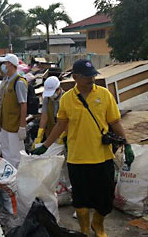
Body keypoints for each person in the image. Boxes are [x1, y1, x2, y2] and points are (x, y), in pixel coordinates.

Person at [33, 59, 134, 237]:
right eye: (87, 76)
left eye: (93, 75)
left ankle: (98, 224)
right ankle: (85, 230)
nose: (91, 79)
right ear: (75, 77)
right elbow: (60, 125)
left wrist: (127, 144)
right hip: (77, 158)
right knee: (80, 200)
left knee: (105, 200)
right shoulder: (67, 99)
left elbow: (115, 121)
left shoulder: (104, 95)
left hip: (103, 157)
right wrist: (45, 145)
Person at [0, 54, 27, 168]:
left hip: (14, 125)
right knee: (6, 153)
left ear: (11, 65)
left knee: (16, 155)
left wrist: (22, 126)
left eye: (4, 63)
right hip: (5, 124)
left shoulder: (19, 82)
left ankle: (17, 178)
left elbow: (23, 105)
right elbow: (4, 105)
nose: (3, 66)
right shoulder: (7, 81)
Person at [33, 76, 65, 148]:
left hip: (63, 134)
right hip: (50, 133)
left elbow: (68, 121)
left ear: (58, 89)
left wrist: (62, 136)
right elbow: (44, 117)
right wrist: (39, 135)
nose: (51, 96)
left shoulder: (66, 98)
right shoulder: (47, 99)